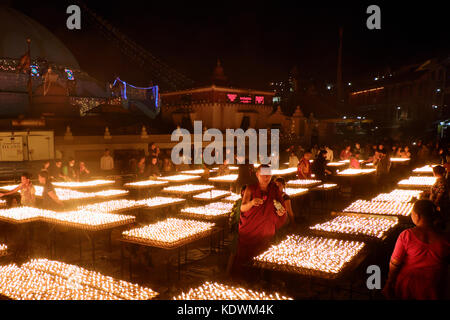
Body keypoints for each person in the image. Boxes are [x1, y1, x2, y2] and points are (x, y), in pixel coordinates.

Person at [382, 200, 450, 300]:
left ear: (417, 216)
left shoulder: (406, 235)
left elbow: (395, 263)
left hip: (410, 285)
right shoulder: (446, 239)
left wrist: (389, 282)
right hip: (435, 286)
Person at [232, 165, 287, 275]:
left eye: (268, 175)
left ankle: (263, 276)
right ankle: (245, 276)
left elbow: (281, 207)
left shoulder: (274, 189)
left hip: (267, 228)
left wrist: (281, 212)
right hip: (251, 229)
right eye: (263, 175)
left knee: (264, 254)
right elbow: (242, 207)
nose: (266, 178)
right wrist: (252, 203)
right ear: (257, 175)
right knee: (247, 256)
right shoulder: (250, 188)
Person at [226, 185, 247, 275]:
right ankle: (228, 272)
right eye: (244, 192)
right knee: (234, 252)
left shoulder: (247, 203)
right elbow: (233, 215)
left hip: (245, 230)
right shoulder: (238, 202)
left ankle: (237, 272)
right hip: (238, 229)